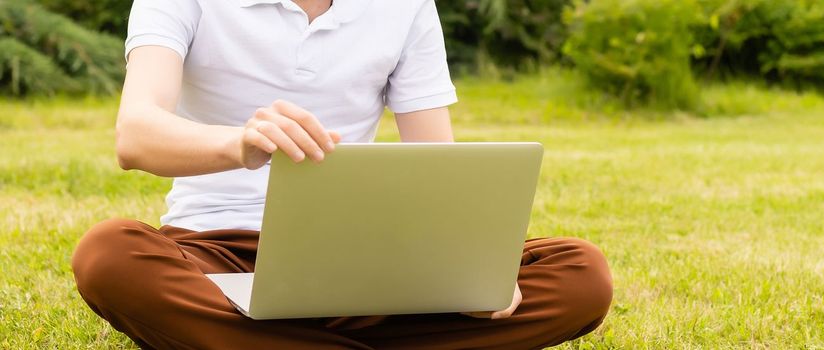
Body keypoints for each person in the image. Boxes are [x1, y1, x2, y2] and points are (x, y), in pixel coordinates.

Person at [70, 0, 613, 349]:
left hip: (359, 257)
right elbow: (135, 134)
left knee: (580, 273)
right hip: (213, 254)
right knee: (107, 254)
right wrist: (240, 143)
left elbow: (438, 171)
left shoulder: (405, 7)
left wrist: (463, 271)